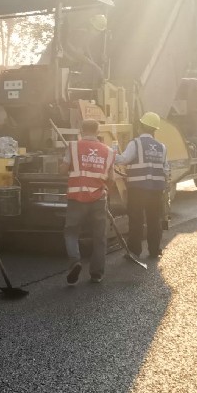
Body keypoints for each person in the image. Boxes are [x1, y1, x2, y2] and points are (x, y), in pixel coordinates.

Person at [62, 118, 116, 285]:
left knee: (71, 232)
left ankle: (75, 262)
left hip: (76, 198)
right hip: (98, 198)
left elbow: (62, 170)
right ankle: (96, 274)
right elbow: (112, 179)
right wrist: (105, 193)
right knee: (99, 237)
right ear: (98, 132)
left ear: (81, 130)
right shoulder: (108, 151)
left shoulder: (73, 146)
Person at [116, 111, 169, 259]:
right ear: (154, 129)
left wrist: (111, 153)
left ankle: (134, 251)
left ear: (140, 126)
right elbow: (166, 169)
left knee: (136, 220)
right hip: (156, 190)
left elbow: (123, 160)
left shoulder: (136, 143)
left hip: (138, 189)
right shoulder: (162, 147)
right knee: (154, 219)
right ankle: (154, 250)